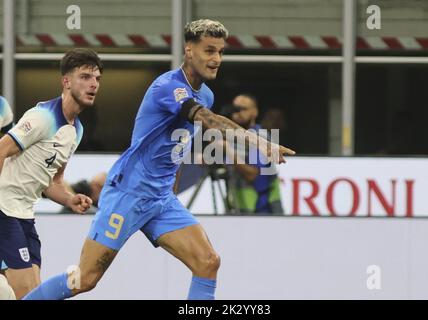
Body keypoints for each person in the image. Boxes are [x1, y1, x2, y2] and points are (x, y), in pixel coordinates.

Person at [23, 19, 295, 300]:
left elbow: (178, 146)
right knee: (84, 280)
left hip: (161, 198)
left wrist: (172, 190)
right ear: (189, 51)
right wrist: (260, 141)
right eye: (209, 51)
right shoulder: (167, 86)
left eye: (220, 52)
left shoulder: (206, 94)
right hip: (129, 193)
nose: (216, 59)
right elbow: (206, 119)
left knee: (208, 262)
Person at [0, 48, 101, 299]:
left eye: (97, 79)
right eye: (86, 77)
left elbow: (51, 183)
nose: (93, 84)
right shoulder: (42, 117)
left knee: (31, 291)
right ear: (66, 82)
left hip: (24, 215)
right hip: (4, 211)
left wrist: (69, 199)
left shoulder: (76, 130)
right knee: (28, 293)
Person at [225, 94, 285, 214]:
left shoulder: (260, 137)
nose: (238, 112)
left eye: (244, 109)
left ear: (255, 112)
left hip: (264, 209)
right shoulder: (229, 137)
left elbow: (252, 174)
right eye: (235, 109)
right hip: (239, 207)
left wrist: (227, 151)